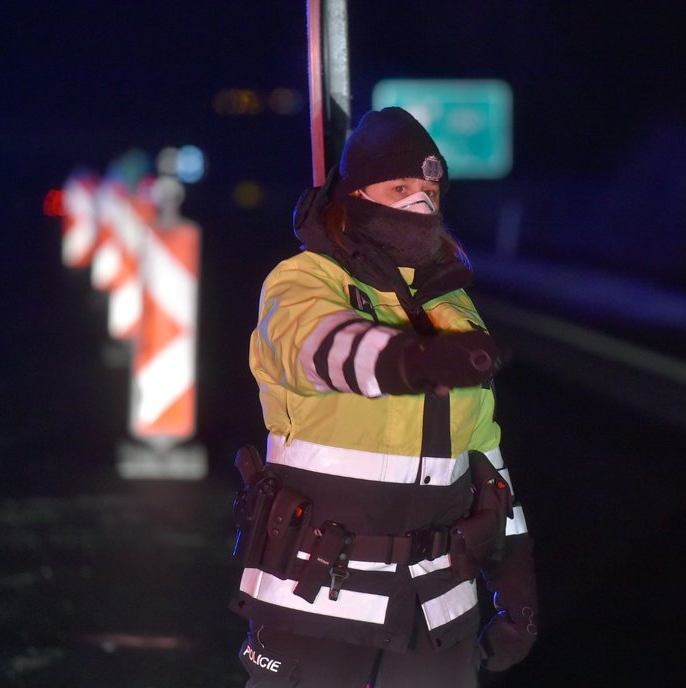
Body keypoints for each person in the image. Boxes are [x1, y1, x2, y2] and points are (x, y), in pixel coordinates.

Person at [230, 107, 537, 687]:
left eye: (429, 190)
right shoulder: (305, 280)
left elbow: (486, 460)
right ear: (355, 196)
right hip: (317, 598)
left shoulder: (451, 305)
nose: (419, 203)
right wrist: (412, 360)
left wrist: (515, 583)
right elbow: (317, 346)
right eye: (400, 188)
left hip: (438, 612)